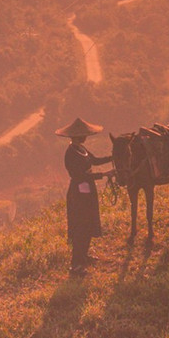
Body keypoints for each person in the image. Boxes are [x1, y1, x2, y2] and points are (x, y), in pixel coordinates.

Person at [56, 117, 112, 275]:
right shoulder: (71, 153)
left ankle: (84, 256)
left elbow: (95, 161)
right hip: (78, 194)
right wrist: (104, 174)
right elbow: (79, 176)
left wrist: (113, 157)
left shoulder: (81, 149)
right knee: (80, 227)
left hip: (87, 191)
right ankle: (76, 265)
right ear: (78, 136)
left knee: (88, 224)